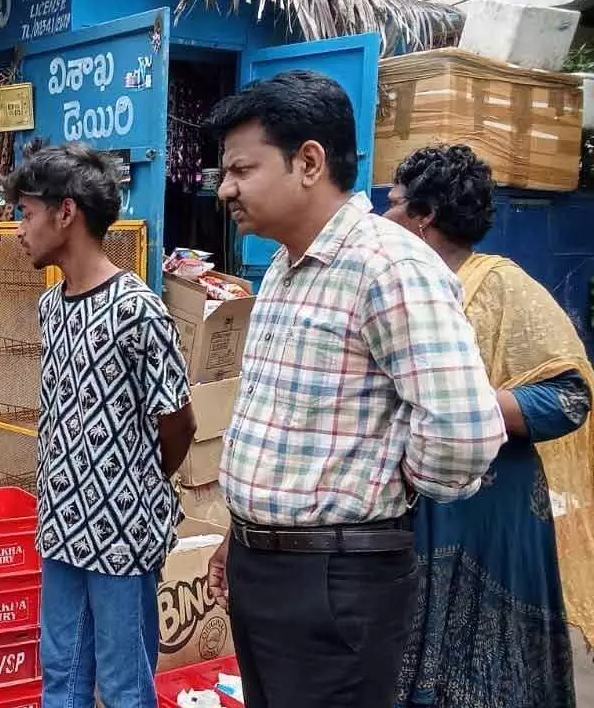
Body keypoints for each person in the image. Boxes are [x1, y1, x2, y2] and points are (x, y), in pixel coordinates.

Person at [202, 71, 506, 708]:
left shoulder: (389, 266)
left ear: (309, 162)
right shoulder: (284, 268)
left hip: (336, 580)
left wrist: (383, 490)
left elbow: (465, 432)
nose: (225, 188)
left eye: (241, 169)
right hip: (268, 568)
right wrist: (243, 533)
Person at [383, 145, 593, 708]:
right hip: (410, 506)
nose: (384, 214)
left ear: (425, 215)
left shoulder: (501, 286)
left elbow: (570, 398)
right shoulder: (392, 286)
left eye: (395, 202)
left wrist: (466, 406)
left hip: (490, 514)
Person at [4, 142, 196, 708]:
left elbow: (178, 422)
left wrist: (131, 484)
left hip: (122, 537)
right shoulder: (52, 305)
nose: (20, 229)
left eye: (27, 214)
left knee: (124, 687)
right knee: (60, 678)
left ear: (66, 212)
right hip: (61, 527)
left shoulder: (137, 308)